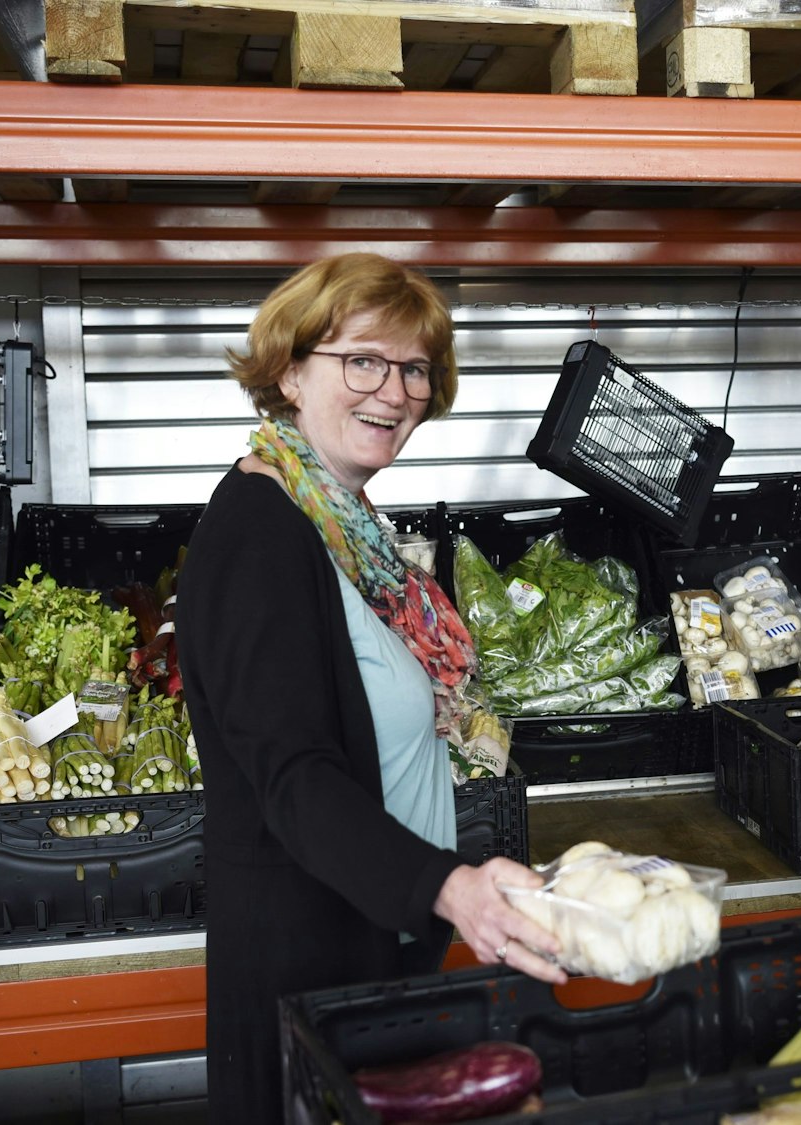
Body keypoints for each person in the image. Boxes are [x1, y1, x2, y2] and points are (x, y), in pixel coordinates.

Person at [182, 253, 565, 1124]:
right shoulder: (262, 532)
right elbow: (295, 774)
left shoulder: (344, 530)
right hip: (308, 966)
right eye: (361, 359)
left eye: (414, 368)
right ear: (290, 370)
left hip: (370, 944)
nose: (392, 392)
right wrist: (451, 885)